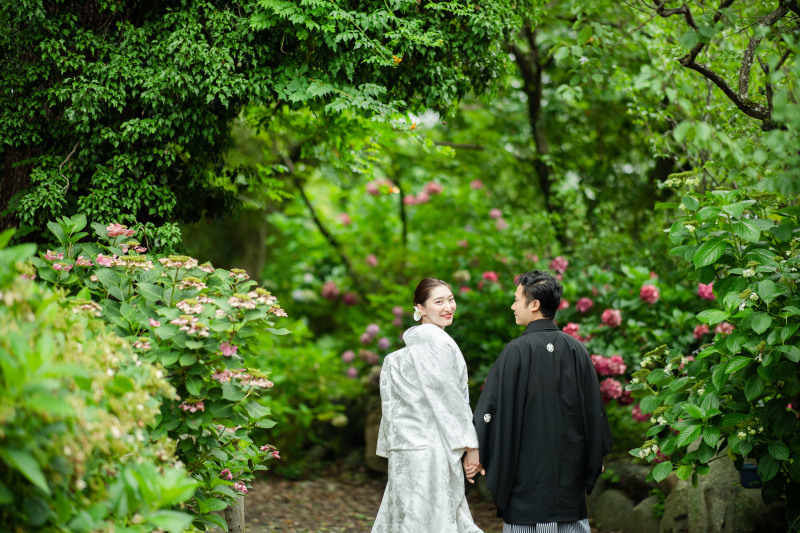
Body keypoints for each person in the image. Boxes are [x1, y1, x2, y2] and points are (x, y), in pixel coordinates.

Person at [470, 270, 612, 533]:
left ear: (534, 305)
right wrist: (594, 453)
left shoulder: (515, 351)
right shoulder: (576, 349)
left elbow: (490, 408)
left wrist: (476, 451)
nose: (512, 306)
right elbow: (594, 411)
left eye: (516, 299)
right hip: (567, 477)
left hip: (526, 478)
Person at [373, 278, 483, 533]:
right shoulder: (438, 343)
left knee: (409, 520)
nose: (448, 307)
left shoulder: (401, 355)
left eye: (451, 299)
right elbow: (451, 401)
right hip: (430, 449)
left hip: (406, 449)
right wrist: (472, 445)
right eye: (439, 301)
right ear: (420, 308)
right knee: (435, 520)